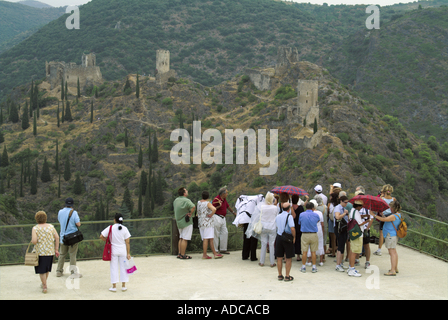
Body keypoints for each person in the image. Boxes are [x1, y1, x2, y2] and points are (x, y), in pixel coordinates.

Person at [100, 213, 131, 292]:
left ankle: (114, 286)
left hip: (113, 250)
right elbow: (127, 242)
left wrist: (108, 241)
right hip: (123, 250)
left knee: (114, 268)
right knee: (124, 268)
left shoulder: (110, 228)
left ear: (114, 220)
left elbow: (101, 236)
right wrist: (128, 253)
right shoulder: (125, 229)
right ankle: (123, 286)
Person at [31, 211, 59, 293]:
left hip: (40, 252)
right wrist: (56, 249)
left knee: (41, 270)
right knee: (47, 269)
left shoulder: (35, 228)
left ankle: (44, 285)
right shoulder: (51, 227)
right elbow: (57, 237)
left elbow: (34, 241)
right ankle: (44, 283)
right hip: (50, 251)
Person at [374, 200, 402, 276]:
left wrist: (374, 215)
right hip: (393, 235)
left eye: (391, 208)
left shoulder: (393, 216)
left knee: (392, 253)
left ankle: (392, 270)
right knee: (394, 252)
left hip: (390, 235)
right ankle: (395, 268)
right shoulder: (398, 215)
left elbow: (384, 220)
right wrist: (382, 215)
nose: (390, 209)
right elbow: (386, 219)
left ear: (394, 208)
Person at [56, 197, 82, 278]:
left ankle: (59, 271)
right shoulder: (74, 212)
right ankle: (73, 272)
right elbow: (78, 224)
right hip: (72, 238)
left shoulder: (60, 212)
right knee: (72, 255)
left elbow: (60, 221)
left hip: (63, 237)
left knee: (62, 254)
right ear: (72, 205)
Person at [347, 200, 369, 277]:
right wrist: (367, 221)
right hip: (358, 234)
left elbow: (356, 218)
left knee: (352, 250)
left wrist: (365, 216)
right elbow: (360, 223)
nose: (361, 208)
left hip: (353, 234)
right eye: (361, 206)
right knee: (355, 251)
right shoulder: (356, 212)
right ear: (358, 206)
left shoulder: (352, 211)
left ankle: (350, 267)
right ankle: (352, 269)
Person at [197, 191, 222, 259]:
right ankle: (204, 255)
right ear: (208, 197)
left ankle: (215, 253)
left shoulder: (199, 202)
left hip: (201, 222)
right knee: (207, 239)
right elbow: (213, 209)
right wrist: (211, 214)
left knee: (210, 238)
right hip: (208, 223)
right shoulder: (207, 203)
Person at [373, 184, 396, 256]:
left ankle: (379, 250)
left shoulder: (382, 199)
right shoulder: (394, 199)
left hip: (384, 216)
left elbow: (379, 208)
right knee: (391, 232)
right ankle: (392, 249)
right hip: (391, 216)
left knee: (381, 234)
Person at [212, 187, 236, 255]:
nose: (227, 194)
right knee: (216, 234)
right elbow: (212, 208)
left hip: (223, 218)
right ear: (223, 194)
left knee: (225, 232)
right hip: (217, 217)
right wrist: (218, 206)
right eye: (227, 193)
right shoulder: (216, 199)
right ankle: (215, 250)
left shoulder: (224, 199)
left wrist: (233, 212)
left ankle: (223, 249)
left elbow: (228, 206)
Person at [275, 202, 296, 281]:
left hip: (279, 236)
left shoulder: (278, 216)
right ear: (289, 209)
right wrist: (294, 237)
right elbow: (292, 228)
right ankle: (287, 275)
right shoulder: (289, 217)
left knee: (279, 257)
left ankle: (280, 275)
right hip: (287, 237)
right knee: (288, 257)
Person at [173, 187, 196, 259]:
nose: (187, 191)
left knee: (181, 238)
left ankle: (179, 253)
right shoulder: (186, 200)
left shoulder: (176, 200)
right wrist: (190, 214)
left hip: (179, 221)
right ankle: (183, 254)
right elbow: (193, 206)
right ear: (184, 193)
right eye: (186, 190)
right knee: (185, 238)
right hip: (186, 222)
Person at [299, 202, 321, 273]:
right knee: (313, 251)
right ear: (313, 208)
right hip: (313, 234)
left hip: (305, 234)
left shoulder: (302, 214)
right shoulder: (316, 215)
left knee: (304, 251)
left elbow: (300, 222)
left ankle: (303, 266)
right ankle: (314, 267)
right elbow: (318, 221)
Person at [258, 192, 278, 267]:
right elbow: (276, 216)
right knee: (272, 244)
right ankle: (272, 262)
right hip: (272, 227)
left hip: (263, 226)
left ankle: (262, 262)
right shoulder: (275, 208)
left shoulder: (262, 207)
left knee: (263, 244)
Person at [305, 199, 325, 267]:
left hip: (312, 229)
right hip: (319, 229)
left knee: (311, 245)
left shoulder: (308, 213)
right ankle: (321, 261)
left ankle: (309, 260)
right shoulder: (320, 213)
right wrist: (323, 231)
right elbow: (322, 224)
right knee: (320, 243)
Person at [334, 196, 350, 272]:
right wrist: (344, 213)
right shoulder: (338, 208)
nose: (346, 203)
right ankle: (338, 264)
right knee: (340, 246)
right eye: (345, 202)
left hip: (344, 228)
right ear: (341, 201)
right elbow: (337, 217)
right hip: (339, 229)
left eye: (347, 202)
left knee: (343, 245)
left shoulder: (343, 208)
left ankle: (341, 262)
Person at [292, 194, 305, 262]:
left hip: (291, 225)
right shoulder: (300, 208)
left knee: (291, 240)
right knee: (298, 240)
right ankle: (298, 256)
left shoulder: (290, 207)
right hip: (299, 225)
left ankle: (289, 255)